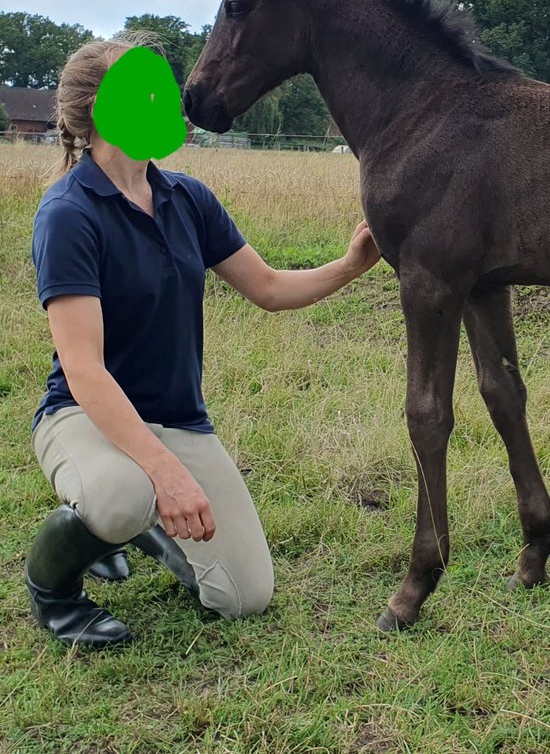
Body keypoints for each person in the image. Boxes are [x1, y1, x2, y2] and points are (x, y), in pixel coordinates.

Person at [26, 35, 380, 647]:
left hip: (178, 420)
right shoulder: (69, 213)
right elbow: (83, 369)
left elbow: (267, 287)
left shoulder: (186, 197)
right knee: (121, 493)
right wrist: (162, 472)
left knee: (244, 597)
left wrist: (348, 267)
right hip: (83, 415)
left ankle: (139, 522)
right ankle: (55, 590)